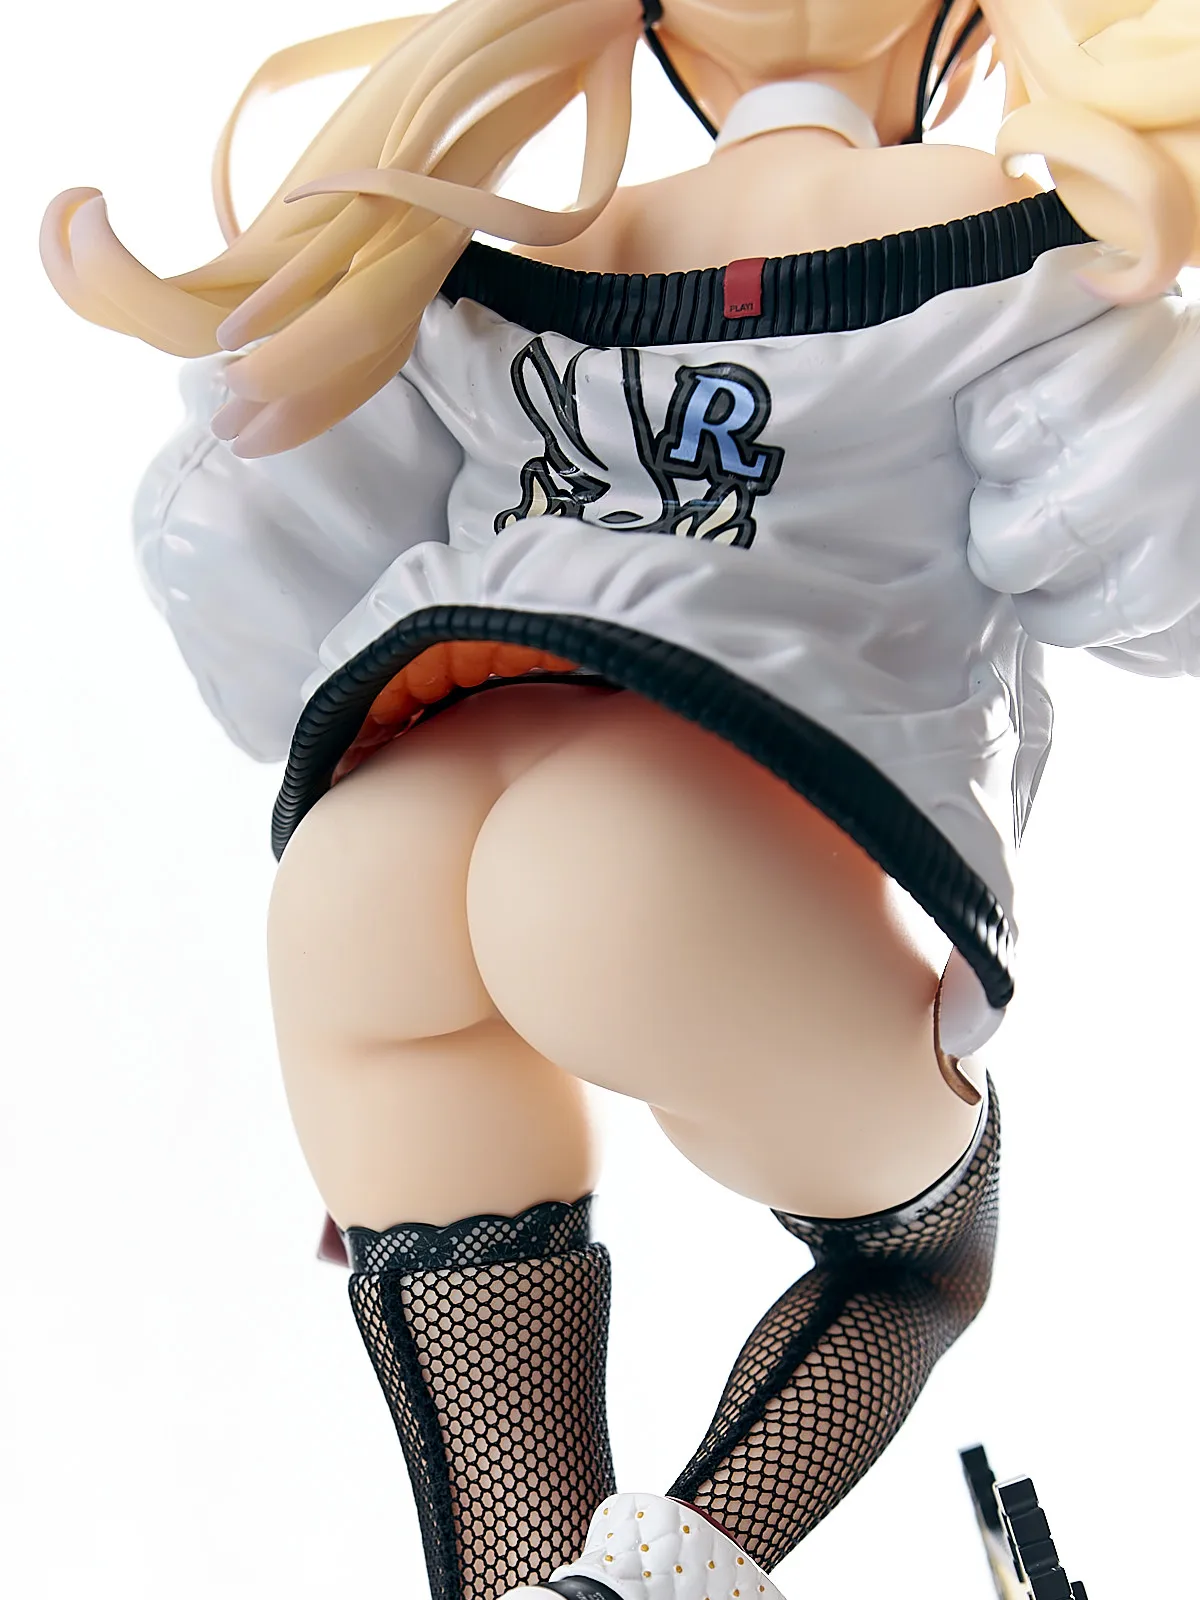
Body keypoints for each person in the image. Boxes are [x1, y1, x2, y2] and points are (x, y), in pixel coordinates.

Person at [39, 4, 1200, 1600]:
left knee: (497, 1513)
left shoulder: (474, 253)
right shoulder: (1006, 237)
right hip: (658, 844)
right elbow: (1150, 559)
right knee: (920, 1257)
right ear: (958, 26)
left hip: (373, 850)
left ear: (663, 32)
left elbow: (246, 558)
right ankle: (671, 1575)